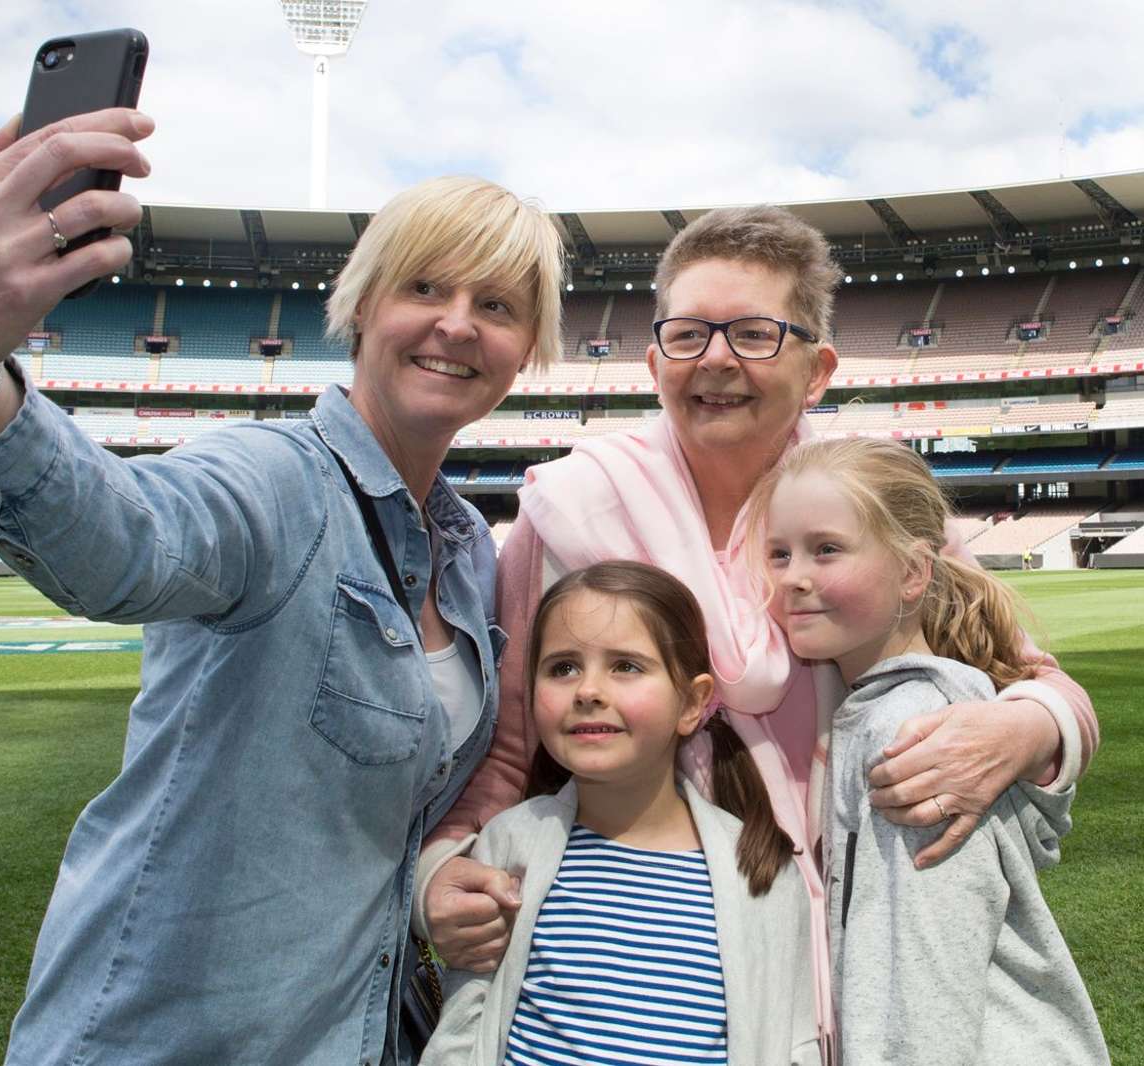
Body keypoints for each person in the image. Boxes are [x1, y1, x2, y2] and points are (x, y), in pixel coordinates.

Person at [0, 107, 563, 1063]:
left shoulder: (467, 555)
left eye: (497, 306)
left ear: (526, 347)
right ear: (365, 303)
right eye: (425, 287)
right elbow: (123, 541)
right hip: (170, 1035)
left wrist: (430, 884)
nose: (458, 323)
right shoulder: (275, 478)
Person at [419, 205, 1101, 1050]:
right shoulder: (570, 513)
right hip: (657, 957)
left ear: (817, 370)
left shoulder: (870, 506)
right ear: (653, 359)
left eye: (752, 334)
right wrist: (444, 874)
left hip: (862, 943)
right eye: (689, 334)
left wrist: (1024, 725)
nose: (715, 360)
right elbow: (507, 752)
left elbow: (1035, 678)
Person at [754, 437, 1109, 1065]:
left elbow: (917, 981)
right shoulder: (891, 705)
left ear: (914, 573)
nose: (793, 577)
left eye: (826, 549)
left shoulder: (912, 732)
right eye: (778, 554)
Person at [420, 561, 818, 1066]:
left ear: (692, 703)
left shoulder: (760, 872)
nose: (587, 691)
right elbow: (464, 1024)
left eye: (625, 666)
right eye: (562, 667)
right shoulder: (511, 845)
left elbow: (793, 1043)